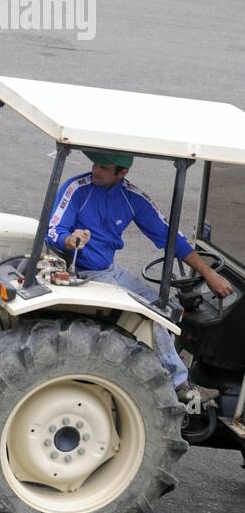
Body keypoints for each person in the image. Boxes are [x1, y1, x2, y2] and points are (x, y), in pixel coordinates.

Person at [45, 150, 232, 405]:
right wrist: (69, 239)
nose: (95, 170)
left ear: (122, 173)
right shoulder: (77, 189)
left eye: (103, 166)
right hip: (84, 273)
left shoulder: (132, 197)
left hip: (109, 270)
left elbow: (171, 238)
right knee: (151, 315)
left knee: (166, 309)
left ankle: (160, 371)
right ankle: (180, 385)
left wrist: (209, 274)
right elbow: (54, 230)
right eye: (95, 164)